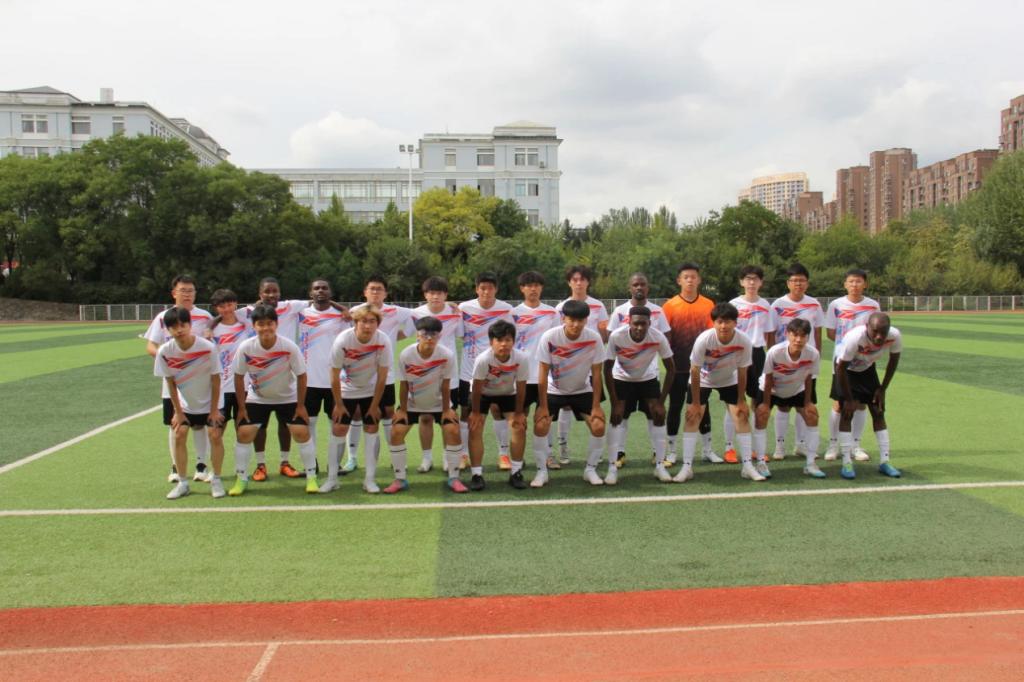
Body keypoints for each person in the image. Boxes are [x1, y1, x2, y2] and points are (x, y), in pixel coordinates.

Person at [229, 304, 320, 496]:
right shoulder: (246, 348)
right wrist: (242, 407)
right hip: (258, 398)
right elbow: (238, 376)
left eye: (270, 323)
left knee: (301, 432)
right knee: (244, 433)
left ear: (276, 324)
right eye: (261, 324)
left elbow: (302, 375)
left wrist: (301, 406)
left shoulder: (288, 347)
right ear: (254, 326)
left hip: (288, 397)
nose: (266, 328)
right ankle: (241, 478)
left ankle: (311, 477)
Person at [677, 302, 763, 483]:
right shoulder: (704, 339)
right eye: (720, 322)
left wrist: (741, 400)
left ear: (735, 323)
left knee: (741, 415)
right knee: (692, 417)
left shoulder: (744, 341)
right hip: (703, 378)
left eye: (728, 322)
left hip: (729, 379)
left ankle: (748, 467)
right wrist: (695, 403)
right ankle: (687, 467)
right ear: (714, 323)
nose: (723, 326)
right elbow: (694, 369)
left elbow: (743, 371)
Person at [144, 275, 215, 483]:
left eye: (190, 290)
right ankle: (176, 466)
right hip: (173, 382)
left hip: (199, 382)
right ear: (173, 293)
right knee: (175, 424)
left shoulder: (205, 316)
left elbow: (212, 344)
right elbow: (151, 346)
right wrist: (169, 361)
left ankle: (201, 466)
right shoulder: (163, 317)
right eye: (183, 290)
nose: (187, 294)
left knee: (200, 424)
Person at [240, 277, 311, 482]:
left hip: (284, 378)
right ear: (260, 294)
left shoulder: (290, 307)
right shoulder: (248, 312)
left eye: (275, 291)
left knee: (285, 425)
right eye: (267, 291)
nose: (271, 295)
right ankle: (260, 465)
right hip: (259, 379)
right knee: (259, 426)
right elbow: (225, 312)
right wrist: (212, 325)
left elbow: (317, 300)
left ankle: (284, 462)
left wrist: (340, 308)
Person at [343, 276, 415, 476]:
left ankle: (394, 456)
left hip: (386, 373)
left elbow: (418, 316)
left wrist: (398, 336)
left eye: (379, 289)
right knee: (357, 414)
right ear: (365, 292)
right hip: (359, 374)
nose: (375, 292)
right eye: (372, 289)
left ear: (385, 293)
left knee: (388, 413)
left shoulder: (396, 311)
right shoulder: (355, 311)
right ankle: (352, 458)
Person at [154, 307, 226, 499]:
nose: (179, 330)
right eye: (174, 327)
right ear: (168, 330)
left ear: (190, 325)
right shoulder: (165, 351)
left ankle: (216, 479)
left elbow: (216, 379)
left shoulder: (207, 347)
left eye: (183, 325)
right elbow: (170, 382)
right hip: (186, 403)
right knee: (179, 434)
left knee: (215, 435)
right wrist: (178, 412)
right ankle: (183, 483)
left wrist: (213, 410)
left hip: (211, 402)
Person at [535, 300, 607, 487]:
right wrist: (543, 406)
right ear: (563, 319)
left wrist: (596, 406)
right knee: (540, 425)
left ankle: (590, 470)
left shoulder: (594, 338)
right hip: (554, 390)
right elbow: (542, 373)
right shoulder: (550, 337)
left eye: (580, 320)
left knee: (599, 426)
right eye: (572, 320)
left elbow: (597, 374)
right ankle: (541, 472)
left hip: (582, 389)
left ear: (586, 320)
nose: (576, 324)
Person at [389, 316, 463, 493]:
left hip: (439, 403)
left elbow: (446, 385)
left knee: (453, 430)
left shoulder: (446, 355)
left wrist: (446, 410)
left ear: (439, 336)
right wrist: (403, 410)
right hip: (412, 404)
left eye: (434, 334)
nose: (429, 338)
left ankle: (454, 478)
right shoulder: (406, 355)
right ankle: (400, 479)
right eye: (425, 334)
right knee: (396, 432)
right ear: (418, 335)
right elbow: (404, 384)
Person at [324, 304, 393, 494]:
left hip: (371, 391)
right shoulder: (343, 340)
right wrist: (338, 404)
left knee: (371, 429)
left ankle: (369, 480)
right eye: (363, 321)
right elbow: (334, 374)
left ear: (378, 324)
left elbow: (382, 376)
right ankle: (332, 479)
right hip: (346, 391)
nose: (368, 326)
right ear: (355, 322)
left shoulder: (383, 340)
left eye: (372, 321)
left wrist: (374, 405)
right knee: (338, 429)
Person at [604, 306, 675, 484]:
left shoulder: (657, 337)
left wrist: (661, 401)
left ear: (650, 323)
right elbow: (606, 369)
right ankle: (612, 468)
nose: (639, 327)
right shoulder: (617, 336)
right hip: (622, 379)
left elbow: (671, 369)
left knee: (658, 415)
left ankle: (659, 466)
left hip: (647, 379)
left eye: (644, 324)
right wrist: (614, 402)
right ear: (629, 322)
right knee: (616, 418)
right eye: (636, 323)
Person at [662, 263, 720, 466]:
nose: (690, 280)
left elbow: (712, 335)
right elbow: (665, 338)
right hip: (678, 367)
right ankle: (671, 451)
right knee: (675, 406)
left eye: (693, 276)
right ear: (679, 280)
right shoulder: (669, 306)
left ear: (699, 280)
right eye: (686, 277)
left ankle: (707, 449)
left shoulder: (708, 304)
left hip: (701, 368)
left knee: (702, 407)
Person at [833, 312, 903, 480]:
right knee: (847, 412)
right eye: (875, 331)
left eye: (883, 332)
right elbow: (841, 368)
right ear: (867, 328)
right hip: (845, 370)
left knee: (878, 411)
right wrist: (849, 399)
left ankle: (885, 461)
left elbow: (893, 361)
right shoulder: (854, 338)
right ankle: (846, 462)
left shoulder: (894, 336)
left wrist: (882, 389)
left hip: (867, 368)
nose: (879, 336)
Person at [553, 265, 609, 465]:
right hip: (567, 366)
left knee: (593, 407)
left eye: (582, 279)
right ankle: (563, 447)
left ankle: (596, 451)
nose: (578, 283)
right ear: (569, 282)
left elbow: (604, 334)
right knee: (565, 408)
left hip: (590, 364)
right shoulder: (561, 307)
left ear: (588, 282)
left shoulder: (598, 306)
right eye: (575, 279)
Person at [823, 268, 881, 462]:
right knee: (839, 403)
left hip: (865, 361)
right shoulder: (836, 305)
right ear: (845, 284)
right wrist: (848, 346)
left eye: (858, 281)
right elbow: (830, 332)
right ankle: (833, 445)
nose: (854, 285)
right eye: (851, 281)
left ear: (865, 284)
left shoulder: (873, 305)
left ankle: (856, 445)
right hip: (842, 360)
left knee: (861, 404)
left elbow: (877, 331)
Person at [458, 272, 514, 470]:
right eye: (482, 288)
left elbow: (510, 338)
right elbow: (460, 334)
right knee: (466, 412)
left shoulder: (506, 309)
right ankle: (463, 454)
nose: (486, 292)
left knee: (498, 411)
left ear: (496, 289)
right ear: (476, 289)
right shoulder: (464, 308)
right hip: (469, 370)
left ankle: (503, 455)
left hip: (497, 370)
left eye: (490, 288)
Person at [753, 319, 823, 479]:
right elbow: (768, 377)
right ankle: (761, 462)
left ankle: (810, 464)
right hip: (771, 389)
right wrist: (765, 404)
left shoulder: (813, 354)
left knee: (812, 415)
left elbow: (809, 377)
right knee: (761, 416)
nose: (798, 340)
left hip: (796, 388)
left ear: (808, 337)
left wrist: (808, 403)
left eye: (803, 336)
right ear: (787, 334)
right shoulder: (775, 352)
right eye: (794, 335)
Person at [770, 263, 825, 461]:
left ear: (807, 283)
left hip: (806, 363)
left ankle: (800, 445)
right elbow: (770, 333)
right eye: (794, 280)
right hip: (783, 363)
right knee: (782, 406)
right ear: (788, 283)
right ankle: (779, 446)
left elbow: (817, 333)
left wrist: (816, 357)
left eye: (801, 280)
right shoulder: (778, 305)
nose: (798, 284)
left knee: (804, 404)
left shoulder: (814, 304)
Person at [724, 266, 777, 464]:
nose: (752, 282)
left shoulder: (765, 305)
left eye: (755, 279)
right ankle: (729, 448)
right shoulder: (733, 304)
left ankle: (756, 449)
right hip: (736, 354)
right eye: (748, 279)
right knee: (733, 402)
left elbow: (769, 335)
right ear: (742, 282)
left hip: (757, 354)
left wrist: (771, 360)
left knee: (758, 402)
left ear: (761, 282)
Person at [468, 320, 529, 490]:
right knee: (475, 427)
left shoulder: (521, 358)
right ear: (491, 342)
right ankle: (476, 475)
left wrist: (519, 413)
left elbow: (521, 387)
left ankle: (516, 472)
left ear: (513, 341)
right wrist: (475, 413)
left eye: (508, 340)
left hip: (507, 393)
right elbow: (477, 388)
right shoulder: (483, 360)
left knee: (519, 427)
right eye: (499, 340)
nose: (504, 344)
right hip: (483, 394)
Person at [411, 276, 464, 474]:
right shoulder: (416, 314)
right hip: (423, 374)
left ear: (445, 295)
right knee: (425, 418)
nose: (435, 296)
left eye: (439, 293)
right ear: (425, 295)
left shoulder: (455, 313)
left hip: (449, 374)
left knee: (447, 418)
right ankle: (426, 458)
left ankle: (446, 457)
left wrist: (454, 306)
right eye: (431, 293)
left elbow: (461, 335)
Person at [511, 271, 560, 478]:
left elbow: (557, 343)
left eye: (537, 285)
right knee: (519, 418)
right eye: (529, 285)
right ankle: (517, 458)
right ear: (522, 288)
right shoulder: (513, 313)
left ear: (541, 288)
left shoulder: (552, 313)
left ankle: (548, 455)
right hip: (521, 376)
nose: (533, 289)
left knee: (544, 417)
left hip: (545, 376)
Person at [298, 279, 350, 473]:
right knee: (308, 424)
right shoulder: (300, 314)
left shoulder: (342, 317)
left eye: (324, 288)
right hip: (308, 380)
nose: (320, 291)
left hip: (335, 381)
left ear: (330, 292)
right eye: (316, 288)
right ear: (310, 293)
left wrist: (342, 308)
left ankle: (334, 465)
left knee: (337, 424)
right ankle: (311, 465)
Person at [208, 288, 252, 441]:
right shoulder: (212, 331)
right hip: (221, 388)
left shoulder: (247, 324)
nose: (227, 309)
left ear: (236, 304)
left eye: (229, 305)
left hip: (245, 386)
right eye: (222, 306)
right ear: (216, 308)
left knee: (244, 433)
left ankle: (241, 459)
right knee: (215, 434)